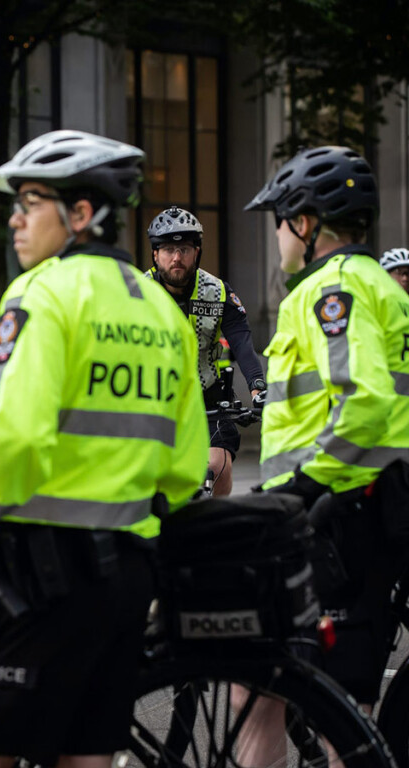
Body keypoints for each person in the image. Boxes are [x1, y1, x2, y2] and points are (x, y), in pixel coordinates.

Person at [0, 130, 207, 768]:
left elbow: (18, 435)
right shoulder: (162, 311)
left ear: (81, 215)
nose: (16, 220)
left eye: (31, 202)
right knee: (84, 756)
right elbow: (186, 464)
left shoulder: (42, 293)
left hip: (37, 571)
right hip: (129, 572)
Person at [245, 145, 409, 724]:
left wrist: (306, 486)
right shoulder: (384, 287)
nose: (278, 237)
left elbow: (363, 400)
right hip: (374, 501)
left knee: (341, 709)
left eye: (279, 223)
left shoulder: (330, 291)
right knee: (275, 683)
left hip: (341, 511)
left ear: (306, 222)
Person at [143, 207, 266, 496]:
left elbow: (243, 345)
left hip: (209, 399)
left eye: (184, 249)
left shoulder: (218, 292)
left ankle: (214, 526)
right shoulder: (138, 291)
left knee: (216, 466)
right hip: (153, 398)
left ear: (197, 252)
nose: (177, 258)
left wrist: (258, 388)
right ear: (155, 254)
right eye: (169, 249)